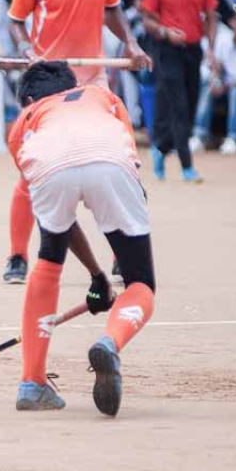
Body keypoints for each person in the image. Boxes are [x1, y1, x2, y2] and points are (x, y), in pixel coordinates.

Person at [2, 0, 151, 284]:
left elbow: (112, 8)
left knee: (122, 163)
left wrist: (132, 44)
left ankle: (126, 250)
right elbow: (16, 19)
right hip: (49, 83)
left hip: (94, 80)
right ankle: (17, 256)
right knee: (31, 172)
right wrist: (25, 49)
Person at [9, 61, 155, 417]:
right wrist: (101, 275)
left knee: (48, 256)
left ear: (28, 98)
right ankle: (110, 341)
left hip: (48, 164)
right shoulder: (102, 95)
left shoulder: (24, 122)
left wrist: (95, 276)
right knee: (140, 282)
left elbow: (59, 228)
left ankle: (32, 383)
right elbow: (130, 169)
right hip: (110, 161)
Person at [141, 0, 217, 182]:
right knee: (180, 105)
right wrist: (165, 31)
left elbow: (211, 16)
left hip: (193, 50)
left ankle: (160, 148)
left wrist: (211, 49)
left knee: (191, 105)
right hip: (167, 50)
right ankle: (187, 165)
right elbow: (147, 19)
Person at [193, 4, 236, 155]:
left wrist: (230, 85)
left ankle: (233, 138)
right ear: (231, 22)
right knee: (208, 86)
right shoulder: (224, 39)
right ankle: (199, 136)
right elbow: (217, 66)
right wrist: (216, 80)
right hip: (227, 84)